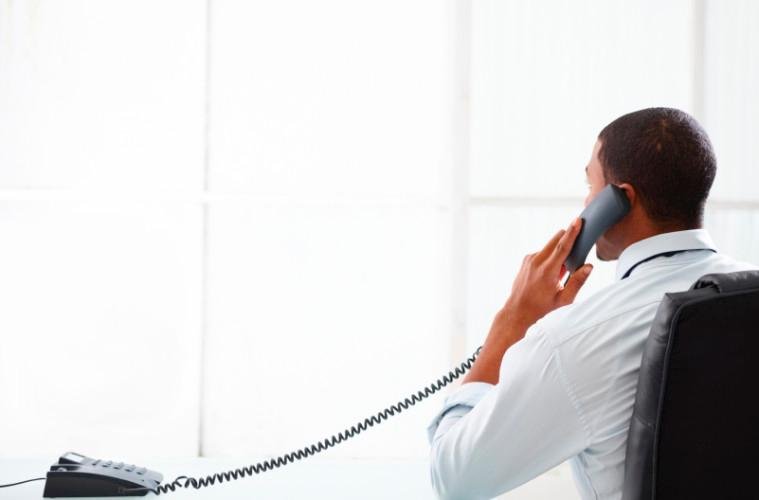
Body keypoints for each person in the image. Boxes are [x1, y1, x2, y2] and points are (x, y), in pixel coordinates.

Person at [426, 107, 758, 500]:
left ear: (621, 200)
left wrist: (510, 326)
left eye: (590, 185)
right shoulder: (749, 290)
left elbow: (454, 479)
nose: (585, 203)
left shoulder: (573, 340)